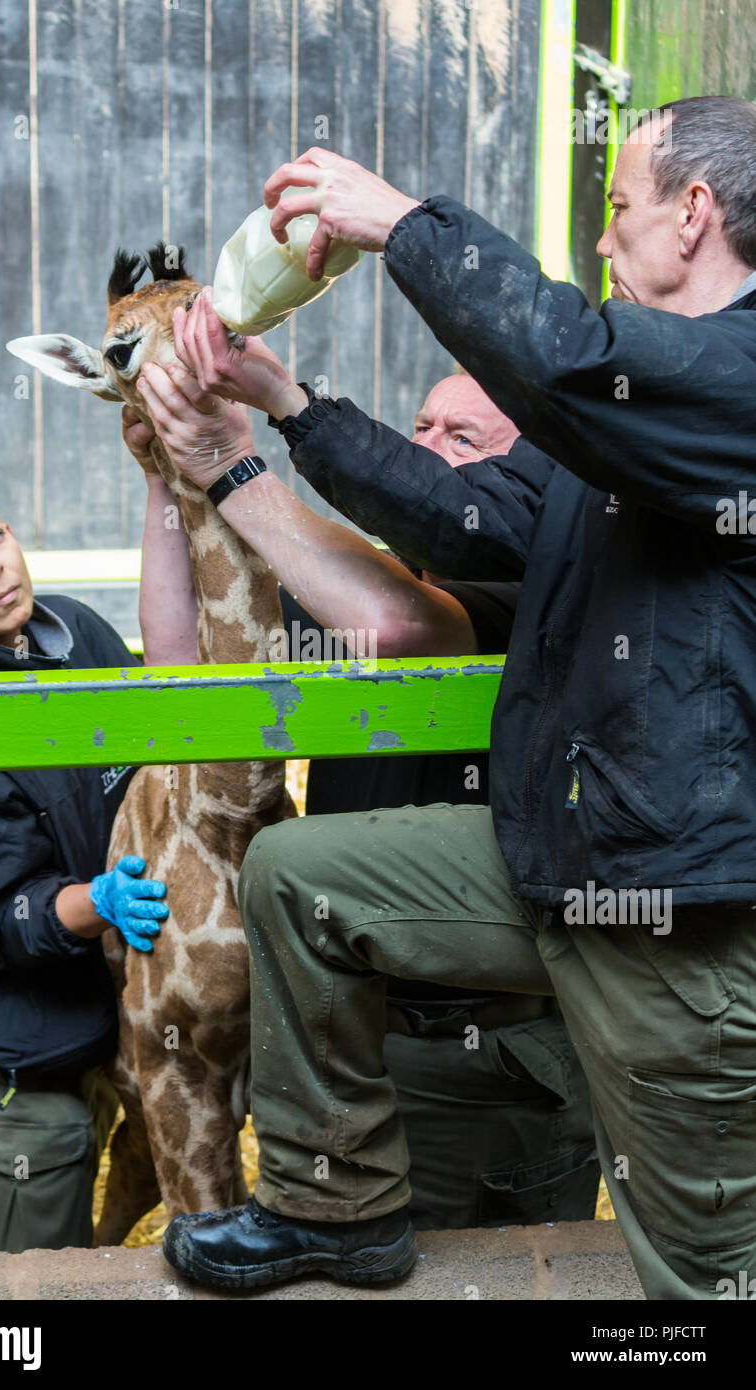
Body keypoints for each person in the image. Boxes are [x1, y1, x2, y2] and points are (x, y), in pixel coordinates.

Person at [139, 95, 756, 1300]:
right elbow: (470, 518)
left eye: (615, 207)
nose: (599, 239)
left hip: (674, 908)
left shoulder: (722, 384)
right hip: (556, 856)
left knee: (703, 1275)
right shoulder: (623, 434)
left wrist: (402, 223)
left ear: (692, 214)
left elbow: (565, 358)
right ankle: (338, 1206)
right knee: (301, 879)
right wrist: (286, 406)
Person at [134, 359, 600, 1229]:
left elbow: (399, 628)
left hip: (479, 1057)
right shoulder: (353, 576)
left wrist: (235, 464)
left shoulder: (536, 582)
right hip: (349, 1028)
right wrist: (166, 485)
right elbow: (183, 664)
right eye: (419, 427)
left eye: (464, 440)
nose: (421, 451)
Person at [0, 410, 190, 1252]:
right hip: (16, 1046)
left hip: (111, 1011)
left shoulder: (76, 634)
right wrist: (96, 901)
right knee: (36, 1272)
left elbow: (151, 756)